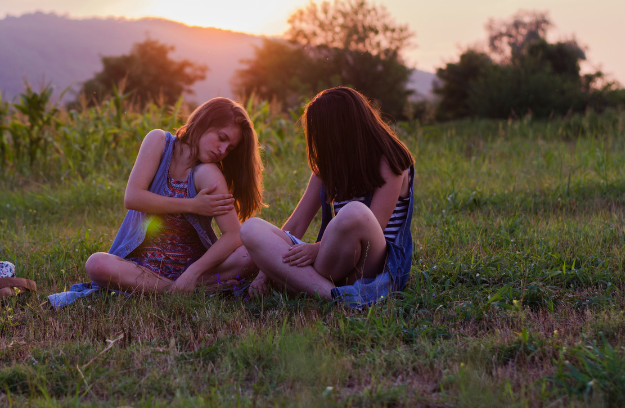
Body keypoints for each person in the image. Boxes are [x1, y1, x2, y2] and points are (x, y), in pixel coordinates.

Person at [48, 97, 262, 308]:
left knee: (252, 253)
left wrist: (193, 272)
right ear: (204, 122)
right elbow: (133, 197)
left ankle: (186, 284)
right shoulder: (159, 141)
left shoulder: (208, 173)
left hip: (195, 269)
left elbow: (234, 234)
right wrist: (192, 205)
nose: (223, 150)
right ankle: (191, 290)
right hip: (142, 268)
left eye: (230, 148)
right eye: (221, 138)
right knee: (97, 264)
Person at [240, 87, 415, 307]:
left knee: (354, 212)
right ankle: (332, 295)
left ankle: (306, 285)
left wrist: (317, 248)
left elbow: (375, 224)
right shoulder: (328, 167)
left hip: (374, 264)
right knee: (251, 228)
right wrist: (264, 274)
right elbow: (296, 224)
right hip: (332, 262)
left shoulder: (390, 159)